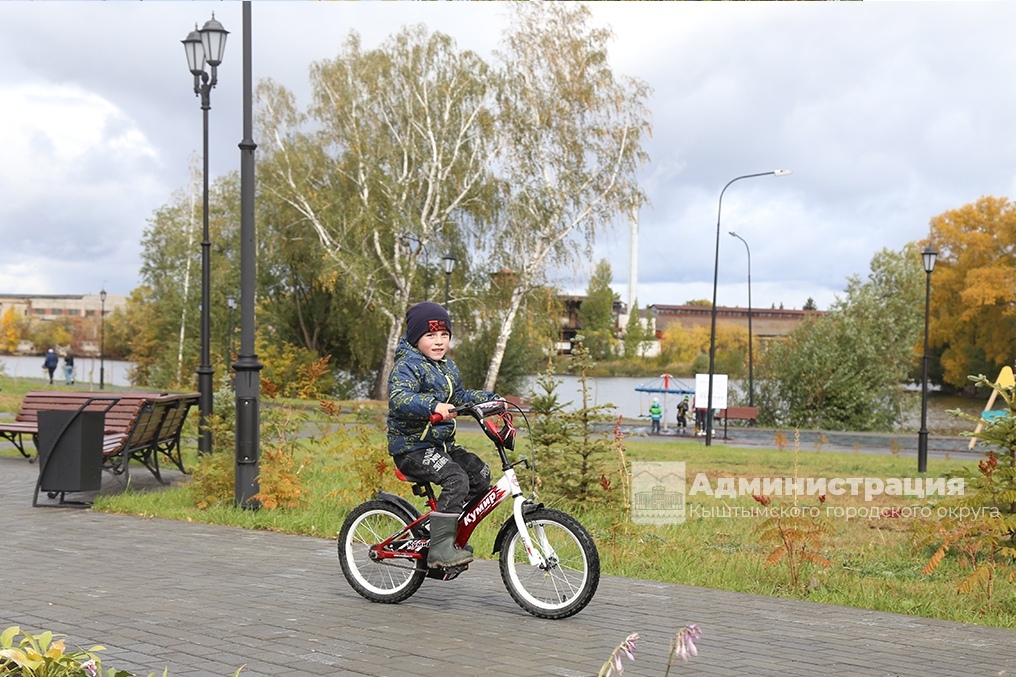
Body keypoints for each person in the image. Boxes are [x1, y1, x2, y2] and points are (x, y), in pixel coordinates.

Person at [387, 301, 497, 569]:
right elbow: (399, 398)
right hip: (412, 448)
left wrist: (493, 400)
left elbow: (459, 396)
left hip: (441, 446)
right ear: (416, 338)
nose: (439, 342)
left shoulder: (447, 367)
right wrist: (432, 406)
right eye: (430, 335)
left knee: (480, 474)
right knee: (455, 478)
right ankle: (440, 549)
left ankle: (449, 535)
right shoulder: (408, 366)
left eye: (444, 335)